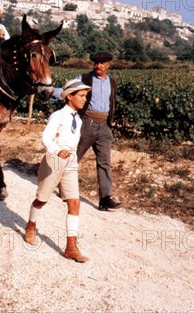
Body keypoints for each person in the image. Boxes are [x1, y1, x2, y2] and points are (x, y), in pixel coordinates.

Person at [24, 78, 92, 263]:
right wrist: (56, 150)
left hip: (70, 162)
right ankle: (31, 225)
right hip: (54, 160)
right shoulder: (58, 116)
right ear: (69, 97)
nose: (85, 99)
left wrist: (72, 158)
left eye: (85, 96)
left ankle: (71, 247)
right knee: (41, 200)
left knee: (74, 203)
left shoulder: (78, 120)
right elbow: (46, 139)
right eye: (82, 96)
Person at [53, 51, 122, 211]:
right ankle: (60, 185)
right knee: (73, 156)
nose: (99, 66)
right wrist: (51, 93)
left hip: (104, 126)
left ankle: (105, 199)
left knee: (105, 162)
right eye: (96, 63)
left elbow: (111, 102)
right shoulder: (85, 78)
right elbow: (68, 89)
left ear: (108, 65)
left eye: (103, 63)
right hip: (86, 123)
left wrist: (110, 124)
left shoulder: (111, 82)